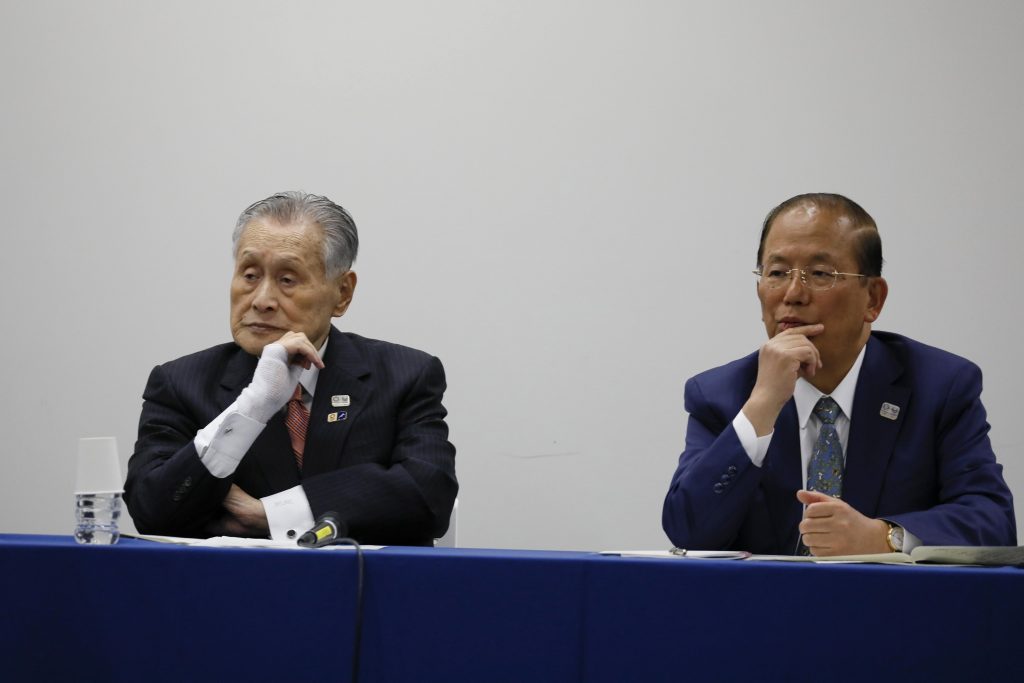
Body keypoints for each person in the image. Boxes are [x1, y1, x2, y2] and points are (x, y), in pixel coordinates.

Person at [662, 193, 1015, 556]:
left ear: (873, 299)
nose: (793, 293)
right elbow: (688, 530)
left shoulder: (939, 386)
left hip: (890, 608)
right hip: (765, 608)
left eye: (820, 274)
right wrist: (762, 406)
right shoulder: (723, 394)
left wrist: (885, 537)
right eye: (778, 273)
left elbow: (992, 521)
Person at [125, 191, 457, 545]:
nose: (262, 300)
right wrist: (254, 405)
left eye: (287, 280)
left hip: (364, 592)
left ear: (342, 293)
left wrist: (269, 514)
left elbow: (428, 496)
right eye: (250, 275)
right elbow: (152, 510)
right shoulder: (181, 383)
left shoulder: (405, 376)